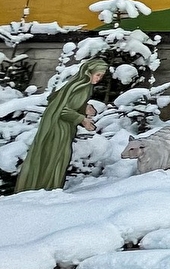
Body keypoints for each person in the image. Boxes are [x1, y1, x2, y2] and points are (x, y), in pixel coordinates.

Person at [15, 58, 108, 192]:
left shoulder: (76, 84)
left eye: (102, 76)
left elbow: (57, 99)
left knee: (49, 157)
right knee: (55, 158)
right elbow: (63, 109)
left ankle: (40, 187)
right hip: (58, 129)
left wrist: (84, 107)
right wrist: (83, 119)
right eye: (98, 74)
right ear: (88, 73)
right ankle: (47, 188)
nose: (99, 78)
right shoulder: (81, 87)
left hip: (56, 125)